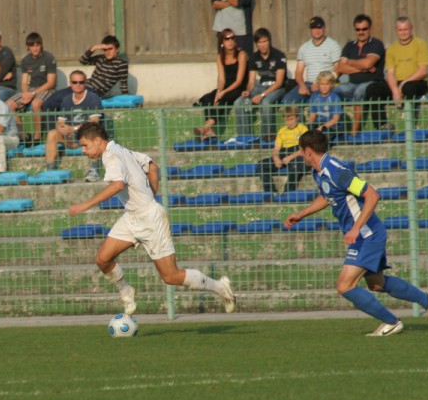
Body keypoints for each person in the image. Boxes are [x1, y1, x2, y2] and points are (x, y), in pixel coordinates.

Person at [284, 129, 428, 336]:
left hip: (367, 234)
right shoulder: (319, 172)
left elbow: (372, 195)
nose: (299, 154)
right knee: (377, 284)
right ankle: (427, 300)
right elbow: (328, 196)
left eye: (299, 151)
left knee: (344, 285)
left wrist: (356, 228)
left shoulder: (336, 170)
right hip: (364, 234)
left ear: (307, 151)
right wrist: (302, 214)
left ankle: (392, 322)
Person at [68, 122, 237, 316]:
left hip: (150, 219)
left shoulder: (111, 156)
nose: (83, 150)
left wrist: (85, 205)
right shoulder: (122, 150)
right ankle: (126, 291)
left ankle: (220, 287)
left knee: (171, 276)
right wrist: (150, 196)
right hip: (133, 216)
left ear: (97, 141)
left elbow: (117, 185)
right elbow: (152, 167)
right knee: (103, 259)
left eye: (85, 145)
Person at [334, 14, 390, 133]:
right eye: (358, 29)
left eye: (364, 29)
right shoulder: (349, 46)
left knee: (359, 92)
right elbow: (340, 67)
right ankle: (335, 127)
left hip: (371, 83)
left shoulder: (376, 44)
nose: (361, 32)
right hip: (351, 83)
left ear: (370, 29)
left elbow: (368, 63)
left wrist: (350, 62)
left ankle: (354, 131)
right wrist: (363, 68)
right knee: (333, 92)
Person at [43, 70, 102, 176]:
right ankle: (49, 171)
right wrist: (61, 128)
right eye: (75, 82)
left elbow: (94, 122)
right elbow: (60, 121)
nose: (78, 85)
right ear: (70, 84)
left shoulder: (93, 98)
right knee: (52, 133)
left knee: (92, 133)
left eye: (81, 82)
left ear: (86, 83)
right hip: (72, 138)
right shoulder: (66, 100)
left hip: (87, 136)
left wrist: (73, 129)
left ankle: (94, 170)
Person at [192, 28, 247, 140]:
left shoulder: (241, 54)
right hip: (225, 86)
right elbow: (221, 79)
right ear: (222, 42)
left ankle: (206, 127)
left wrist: (223, 93)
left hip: (238, 87)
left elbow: (239, 80)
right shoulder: (219, 57)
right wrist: (218, 92)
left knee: (223, 99)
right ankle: (210, 131)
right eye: (227, 39)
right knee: (209, 98)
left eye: (232, 38)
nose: (230, 41)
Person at [235, 27, 288, 140]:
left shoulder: (279, 56)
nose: (263, 45)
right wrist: (248, 92)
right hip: (261, 86)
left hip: (277, 88)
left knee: (266, 102)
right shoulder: (254, 57)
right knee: (239, 102)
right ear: (256, 44)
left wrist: (262, 95)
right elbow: (251, 81)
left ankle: (266, 138)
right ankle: (244, 138)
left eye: (265, 41)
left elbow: (279, 83)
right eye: (260, 42)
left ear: (270, 41)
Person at [7, 32, 57, 146]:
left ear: (41, 45)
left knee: (36, 104)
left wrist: (32, 94)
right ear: (28, 47)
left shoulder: (49, 58)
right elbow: (24, 82)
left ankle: (37, 137)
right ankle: (23, 135)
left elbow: (51, 83)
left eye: (37, 45)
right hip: (31, 90)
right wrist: (25, 93)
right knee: (9, 105)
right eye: (32, 45)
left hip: (46, 89)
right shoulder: (25, 60)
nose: (35, 48)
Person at [281, 16, 340, 105]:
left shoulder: (333, 45)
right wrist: (302, 86)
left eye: (319, 27)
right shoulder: (304, 48)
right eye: (314, 28)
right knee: (288, 101)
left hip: (326, 84)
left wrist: (321, 83)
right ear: (310, 30)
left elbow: (338, 69)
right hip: (308, 84)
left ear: (324, 28)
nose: (317, 30)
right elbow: (299, 72)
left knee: (314, 101)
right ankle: (299, 118)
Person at [384, 17, 428, 121]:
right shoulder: (391, 49)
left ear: (411, 29)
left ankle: (410, 123)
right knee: (374, 89)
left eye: (406, 29)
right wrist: (395, 90)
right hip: (398, 83)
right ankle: (381, 126)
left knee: (408, 88)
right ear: (396, 31)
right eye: (400, 30)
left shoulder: (420, 44)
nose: (403, 32)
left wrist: (403, 84)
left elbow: (423, 71)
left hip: (417, 81)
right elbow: (390, 73)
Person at [258, 106, 308, 195]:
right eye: (286, 120)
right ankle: (270, 192)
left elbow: (304, 148)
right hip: (283, 152)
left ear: (297, 117)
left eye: (291, 119)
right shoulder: (282, 130)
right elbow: (276, 148)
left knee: (296, 165)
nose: (289, 122)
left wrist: (291, 157)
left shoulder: (303, 129)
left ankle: (288, 192)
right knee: (262, 165)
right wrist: (276, 158)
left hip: (297, 153)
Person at [306, 71, 344, 138]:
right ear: (318, 84)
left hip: (332, 126)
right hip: (319, 124)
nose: (324, 87)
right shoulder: (315, 96)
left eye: (327, 84)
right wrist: (309, 125)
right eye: (322, 84)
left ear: (331, 84)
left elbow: (335, 119)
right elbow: (313, 115)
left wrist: (322, 127)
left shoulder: (334, 98)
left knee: (323, 135)